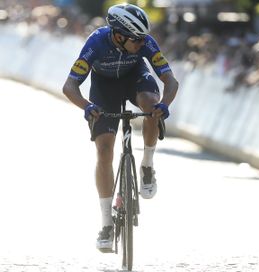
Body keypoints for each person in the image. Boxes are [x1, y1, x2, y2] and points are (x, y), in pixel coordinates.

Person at [62, 4, 179, 252]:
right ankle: (106, 223)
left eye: (142, 39)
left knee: (151, 104)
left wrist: (164, 105)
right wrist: (86, 106)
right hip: (104, 88)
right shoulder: (96, 43)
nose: (141, 44)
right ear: (118, 35)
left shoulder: (145, 43)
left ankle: (147, 164)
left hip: (135, 77)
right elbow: (69, 87)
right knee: (104, 151)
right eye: (136, 40)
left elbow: (170, 80)